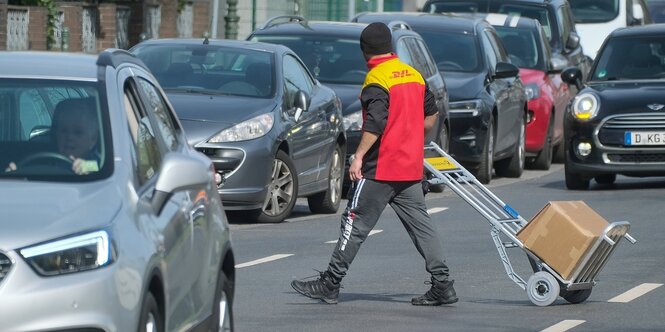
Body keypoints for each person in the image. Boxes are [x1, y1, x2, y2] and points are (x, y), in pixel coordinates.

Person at [290, 22, 458, 306]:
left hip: (381, 167)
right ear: (390, 46)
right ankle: (443, 284)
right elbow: (431, 115)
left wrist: (358, 156)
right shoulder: (413, 74)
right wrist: (410, 136)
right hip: (409, 167)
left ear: (364, 51)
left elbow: (375, 122)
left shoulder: (376, 78)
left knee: (353, 223)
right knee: (422, 227)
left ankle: (330, 283)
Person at [5, 98, 100, 175]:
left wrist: (86, 167)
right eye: (64, 131)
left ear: (93, 139)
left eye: (78, 132)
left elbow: (101, 166)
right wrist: (16, 173)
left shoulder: (100, 160)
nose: (69, 137)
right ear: (56, 135)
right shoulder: (47, 158)